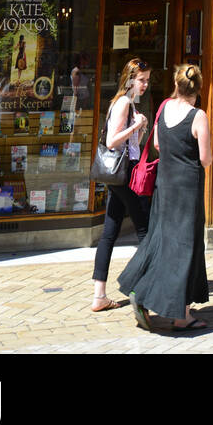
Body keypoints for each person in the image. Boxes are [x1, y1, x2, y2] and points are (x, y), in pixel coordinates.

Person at [118, 62, 211, 332]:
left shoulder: (165, 107)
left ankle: (139, 288)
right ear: (198, 88)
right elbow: (205, 159)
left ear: (176, 85)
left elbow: (157, 144)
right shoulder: (198, 116)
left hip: (164, 185)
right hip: (188, 189)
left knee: (159, 241)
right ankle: (182, 316)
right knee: (185, 247)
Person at [90, 57, 153, 313]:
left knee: (109, 232)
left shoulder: (123, 102)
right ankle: (142, 289)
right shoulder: (124, 102)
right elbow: (113, 141)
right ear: (130, 80)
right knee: (146, 232)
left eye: (147, 80)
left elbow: (130, 143)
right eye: (142, 80)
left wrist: (140, 129)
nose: (145, 85)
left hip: (118, 175)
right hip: (124, 175)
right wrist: (136, 125)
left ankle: (99, 296)